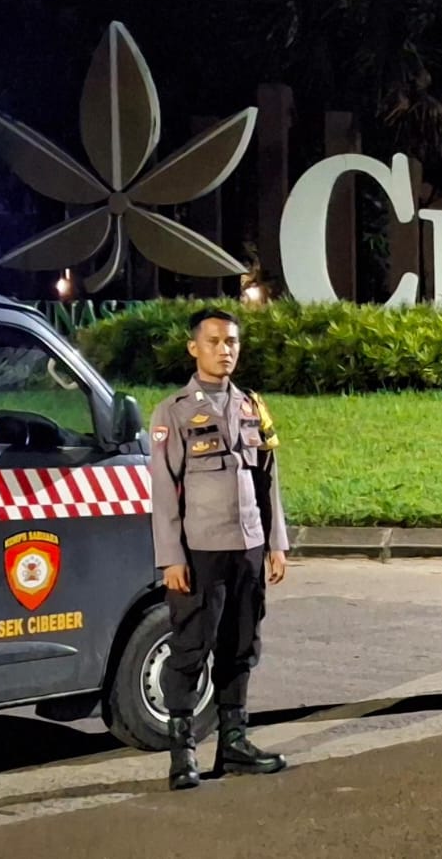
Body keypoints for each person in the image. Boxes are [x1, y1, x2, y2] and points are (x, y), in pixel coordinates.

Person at [148, 309, 291, 791]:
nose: (224, 350)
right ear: (194, 348)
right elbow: (164, 490)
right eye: (213, 341)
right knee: (191, 648)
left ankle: (234, 745)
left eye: (231, 341)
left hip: (248, 546)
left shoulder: (251, 406)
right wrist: (171, 557)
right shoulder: (174, 411)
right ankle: (182, 754)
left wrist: (276, 543)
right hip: (200, 551)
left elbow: (267, 478)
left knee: (241, 646)